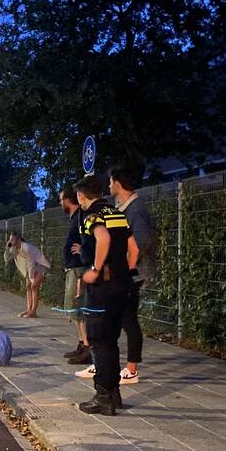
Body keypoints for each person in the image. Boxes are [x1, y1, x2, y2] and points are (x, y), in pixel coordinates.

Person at [73, 174, 139, 415]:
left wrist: (95, 270)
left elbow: (103, 238)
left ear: (81, 196)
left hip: (102, 287)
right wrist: (127, 270)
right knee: (111, 339)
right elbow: (134, 248)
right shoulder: (118, 214)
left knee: (98, 340)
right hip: (122, 285)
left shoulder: (92, 217)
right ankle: (114, 394)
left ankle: (103, 396)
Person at [110, 166, 156, 385]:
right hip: (127, 273)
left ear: (118, 184)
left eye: (111, 183)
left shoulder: (135, 209)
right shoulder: (124, 207)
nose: (109, 187)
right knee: (118, 318)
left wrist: (127, 266)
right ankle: (110, 362)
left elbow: (142, 241)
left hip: (132, 275)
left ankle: (131, 369)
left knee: (128, 320)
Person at [60, 187, 91, 364]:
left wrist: (83, 250)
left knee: (78, 307)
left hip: (79, 268)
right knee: (73, 308)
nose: (60, 203)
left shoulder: (81, 216)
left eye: (61, 200)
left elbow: (90, 237)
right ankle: (82, 343)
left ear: (68, 200)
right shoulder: (75, 218)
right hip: (73, 268)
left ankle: (87, 347)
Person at [5, 232, 50, 318]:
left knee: (34, 287)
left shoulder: (26, 247)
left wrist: (32, 278)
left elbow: (31, 264)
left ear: (18, 239)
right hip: (32, 268)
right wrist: (7, 248)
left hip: (40, 265)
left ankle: (33, 311)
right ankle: (29, 309)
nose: (10, 241)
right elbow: (7, 259)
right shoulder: (13, 249)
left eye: (12, 239)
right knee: (28, 287)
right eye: (9, 239)